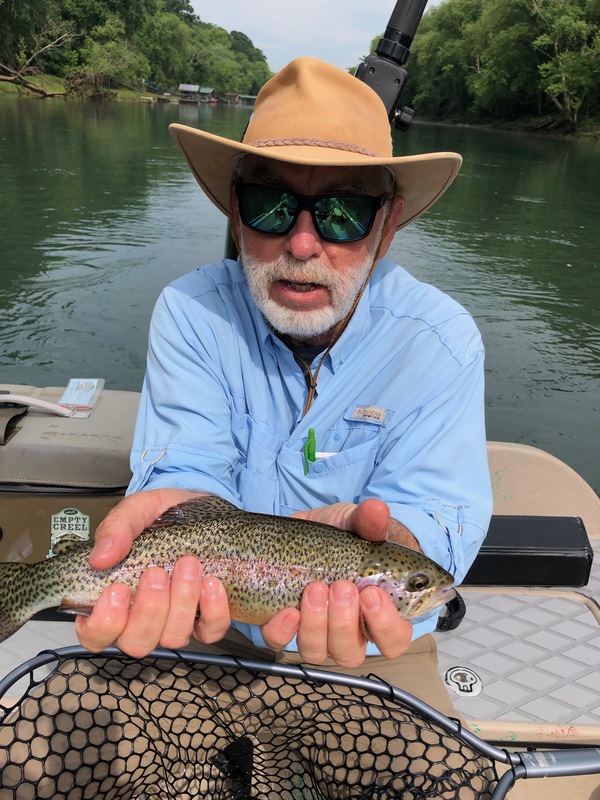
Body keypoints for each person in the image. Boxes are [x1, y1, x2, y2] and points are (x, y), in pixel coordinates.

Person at [76, 57, 493, 716]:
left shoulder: (439, 343)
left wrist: (401, 545)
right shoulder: (191, 314)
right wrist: (169, 512)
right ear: (235, 213)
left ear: (386, 228)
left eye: (344, 213)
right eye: (269, 205)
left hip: (375, 648)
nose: (301, 244)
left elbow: (437, 515)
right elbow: (185, 473)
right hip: (200, 626)